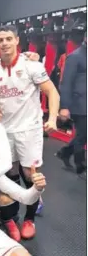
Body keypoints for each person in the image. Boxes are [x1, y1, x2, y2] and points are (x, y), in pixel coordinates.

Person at [0, 24, 60, 240]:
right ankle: (11, 218)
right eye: (1, 40)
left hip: (29, 129)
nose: (5, 43)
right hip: (4, 130)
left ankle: (30, 219)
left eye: (9, 39)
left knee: (30, 174)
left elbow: (52, 92)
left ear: (17, 40)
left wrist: (52, 118)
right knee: (9, 173)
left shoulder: (31, 65)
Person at [57, 31, 87, 176]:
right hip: (79, 103)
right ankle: (80, 166)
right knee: (82, 135)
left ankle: (65, 152)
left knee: (83, 134)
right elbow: (66, 83)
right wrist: (64, 106)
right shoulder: (75, 57)